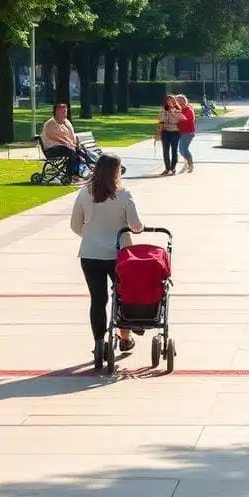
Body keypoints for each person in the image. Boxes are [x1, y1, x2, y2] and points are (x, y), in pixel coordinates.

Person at [70, 153, 144, 365]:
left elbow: (75, 225)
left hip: (90, 254)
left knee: (98, 299)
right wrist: (138, 228)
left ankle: (99, 342)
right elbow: (136, 225)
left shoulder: (84, 193)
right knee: (123, 295)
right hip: (119, 255)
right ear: (116, 171)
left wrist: (92, 237)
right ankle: (125, 336)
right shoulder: (123, 195)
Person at [41, 103, 94, 179]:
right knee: (71, 151)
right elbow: (53, 137)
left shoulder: (66, 123)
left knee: (81, 151)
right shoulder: (50, 124)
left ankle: (89, 169)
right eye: (63, 112)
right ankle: (69, 175)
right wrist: (67, 143)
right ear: (56, 112)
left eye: (65, 111)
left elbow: (70, 136)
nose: (65, 114)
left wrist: (74, 144)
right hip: (51, 149)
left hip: (65, 147)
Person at [157, 95, 182, 175]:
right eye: (168, 101)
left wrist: (173, 113)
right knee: (165, 150)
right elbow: (160, 120)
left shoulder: (178, 110)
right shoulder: (163, 109)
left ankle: (173, 167)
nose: (169, 102)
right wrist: (159, 131)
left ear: (174, 101)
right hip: (165, 131)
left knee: (174, 150)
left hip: (175, 131)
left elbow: (178, 120)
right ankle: (167, 168)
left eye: (171, 100)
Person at [175, 94, 196, 174]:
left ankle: (190, 164)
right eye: (176, 100)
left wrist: (178, 115)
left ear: (184, 101)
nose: (177, 102)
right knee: (181, 150)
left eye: (179, 100)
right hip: (180, 132)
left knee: (183, 149)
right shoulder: (178, 109)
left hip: (188, 132)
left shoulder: (188, 109)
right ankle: (186, 164)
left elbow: (187, 119)